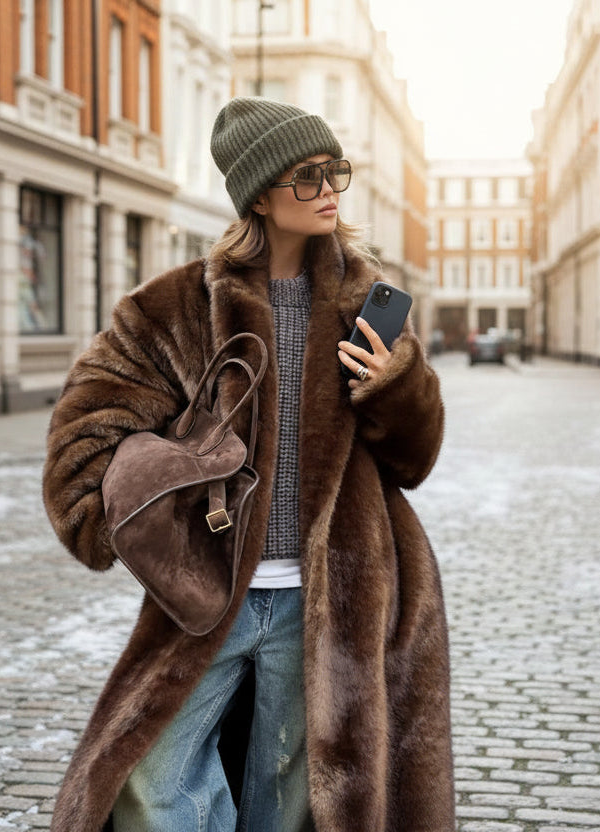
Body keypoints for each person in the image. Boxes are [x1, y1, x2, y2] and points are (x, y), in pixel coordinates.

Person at [42, 97, 454, 832]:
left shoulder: (366, 304)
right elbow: (86, 425)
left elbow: (415, 459)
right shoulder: (174, 306)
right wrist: (120, 505)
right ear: (259, 195)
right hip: (210, 598)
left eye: (336, 172)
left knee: (291, 798)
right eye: (307, 176)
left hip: (329, 602)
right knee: (151, 778)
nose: (328, 189)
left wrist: (392, 382)